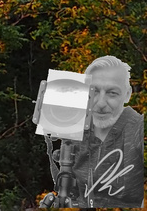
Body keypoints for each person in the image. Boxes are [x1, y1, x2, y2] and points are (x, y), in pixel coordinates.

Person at [58, 55, 145, 208]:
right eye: (94, 91)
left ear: (127, 94)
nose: (101, 103)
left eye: (112, 93)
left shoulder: (137, 133)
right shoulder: (73, 132)